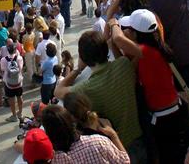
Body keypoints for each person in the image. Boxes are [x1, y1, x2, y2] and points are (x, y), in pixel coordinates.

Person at [108, 9, 189, 164]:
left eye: (128, 29)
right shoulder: (155, 47)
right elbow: (127, 70)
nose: (125, 31)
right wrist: (113, 47)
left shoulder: (144, 51)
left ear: (135, 34)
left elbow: (118, 39)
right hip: (173, 112)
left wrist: (113, 24)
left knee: (169, 157)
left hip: (164, 118)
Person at [53, 31, 144, 162]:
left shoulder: (85, 89)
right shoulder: (124, 65)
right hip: (139, 140)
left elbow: (58, 91)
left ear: (84, 58)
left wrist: (78, 69)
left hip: (116, 149)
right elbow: (120, 56)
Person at [40, 105, 129, 164]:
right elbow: (125, 161)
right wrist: (114, 136)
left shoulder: (56, 160)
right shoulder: (98, 142)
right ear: (72, 121)